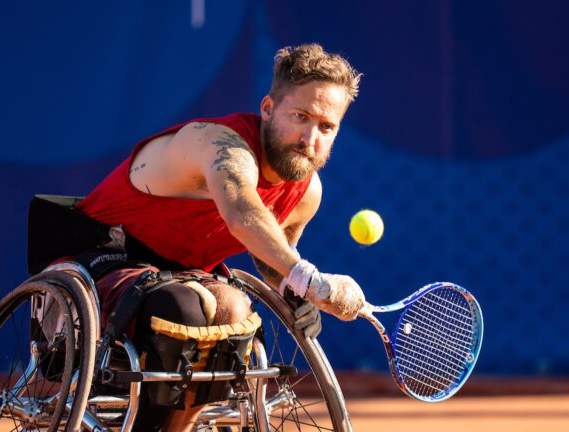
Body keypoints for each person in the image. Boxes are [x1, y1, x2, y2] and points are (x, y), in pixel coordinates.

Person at [76, 43, 368, 431]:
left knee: (234, 313)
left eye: (326, 127)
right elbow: (242, 213)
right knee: (189, 307)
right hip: (104, 252)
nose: (309, 137)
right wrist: (309, 278)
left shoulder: (306, 191)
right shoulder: (221, 144)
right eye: (300, 116)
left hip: (184, 277)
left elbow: (271, 256)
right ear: (267, 109)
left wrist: (292, 290)